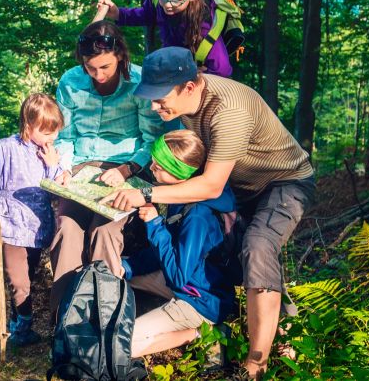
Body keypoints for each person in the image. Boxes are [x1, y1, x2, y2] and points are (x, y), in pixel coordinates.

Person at [103, 47, 316, 379]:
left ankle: (255, 368)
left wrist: (144, 194)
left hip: (282, 181)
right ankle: (272, 337)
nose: (154, 107)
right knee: (241, 253)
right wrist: (131, 169)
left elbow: (210, 186)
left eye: (160, 99)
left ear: (189, 87)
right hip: (241, 185)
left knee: (258, 246)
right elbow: (178, 154)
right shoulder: (186, 102)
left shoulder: (227, 110)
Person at [49, 20, 174, 315]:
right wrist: (64, 168)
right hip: (81, 169)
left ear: (119, 54)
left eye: (105, 67)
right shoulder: (70, 82)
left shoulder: (139, 82)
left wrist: (127, 169)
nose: (98, 75)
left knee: (104, 231)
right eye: (91, 68)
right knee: (66, 229)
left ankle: (103, 315)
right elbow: (65, 137)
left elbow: (151, 139)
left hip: (126, 169)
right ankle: (65, 316)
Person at [120, 130, 237, 358]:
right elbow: (168, 254)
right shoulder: (180, 199)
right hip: (189, 284)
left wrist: (155, 224)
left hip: (200, 300)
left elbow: (177, 276)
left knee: (123, 344)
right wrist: (126, 267)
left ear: (178, 173)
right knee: (119, 274)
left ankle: (203, 333)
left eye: (158, 166)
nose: (151, 169)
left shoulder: (197, 217)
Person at [0, 93, 65, 349]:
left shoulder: (48, 153)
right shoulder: (6, 148)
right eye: (46, 132)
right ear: (28, 125)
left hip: (37, 228)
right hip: (10, 226)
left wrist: (54, 166)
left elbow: (56, 192)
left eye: (54, 131)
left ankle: (17, 323)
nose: (52, 138)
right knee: (19, 281)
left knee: (28, 278)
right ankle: (22, 328)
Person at [97, 0, 233, 77]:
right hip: (172, 64)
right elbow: (147, 15)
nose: (167, 5)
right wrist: (118, 14)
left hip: (196, 77)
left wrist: (202, 75)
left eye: (176, 0)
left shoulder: (204, 23)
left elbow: (223, 70)